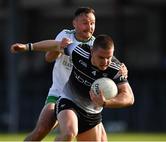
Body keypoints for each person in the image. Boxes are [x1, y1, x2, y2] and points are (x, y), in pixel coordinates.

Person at [10, 7, 128, 141]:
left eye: (92, 23)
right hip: (59, 93)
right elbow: (49, 58)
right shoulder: (66, 36)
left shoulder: (95, 45)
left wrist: (121, 68)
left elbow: (109, 61)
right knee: (41, 130)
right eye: (85, 22)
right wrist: (58, 47)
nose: (89, 26)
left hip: (83, 99)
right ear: (74, 23)